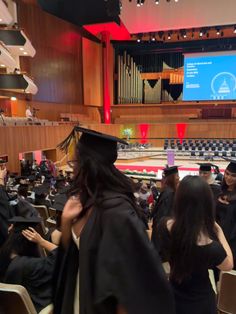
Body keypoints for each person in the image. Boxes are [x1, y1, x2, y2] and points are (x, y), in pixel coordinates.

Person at [53, 126, 175, 314]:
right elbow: (76, 258)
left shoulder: (117, 212)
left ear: (86, 163)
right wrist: (67, 223)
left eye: (75, 160)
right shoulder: (86, 201)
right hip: (81, 298)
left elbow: (130, 286)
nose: (73, 166)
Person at [154, 175, 233, 314]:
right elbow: (228, 265)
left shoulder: (163, 225)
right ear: (207, 204)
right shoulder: (211, 247)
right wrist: (220, 232)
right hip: (201, 302)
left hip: (173, 295)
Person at [0, 216, 57, 312]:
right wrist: (42, 241)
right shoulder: (32, 265)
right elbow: (65, 258)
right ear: (31, 240)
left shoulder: (3, 256)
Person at [151, 166, 179, 248]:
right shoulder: (169, 194)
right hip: (161, 235)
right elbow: (164, 216)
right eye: (177, 175)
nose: (179, 178)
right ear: (171, 178)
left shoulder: (167, 191)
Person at [216, 158, 236, 266]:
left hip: (232, 241)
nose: (228, 177)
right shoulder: (219, 191)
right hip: (216, 238)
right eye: (227, 173)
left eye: (233, 175)